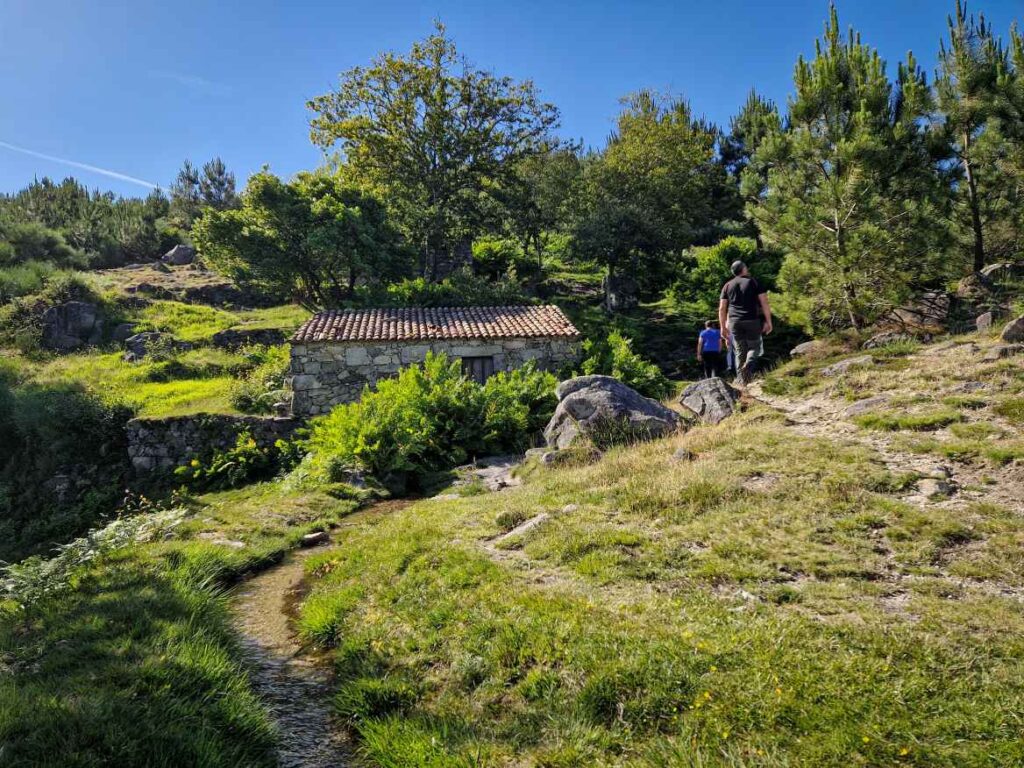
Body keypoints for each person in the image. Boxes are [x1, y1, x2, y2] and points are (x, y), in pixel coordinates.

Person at [719, 260, 772, 385]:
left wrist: (723, 327)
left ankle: (743, 382)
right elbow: (764, 303)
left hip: (734, 322)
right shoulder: (753, 282)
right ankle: (748, 364)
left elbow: (722, 308)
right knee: (756, 347)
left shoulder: (727, 285)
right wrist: (768, 321)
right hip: (752, 320)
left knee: (739, 352)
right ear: (744, 269)